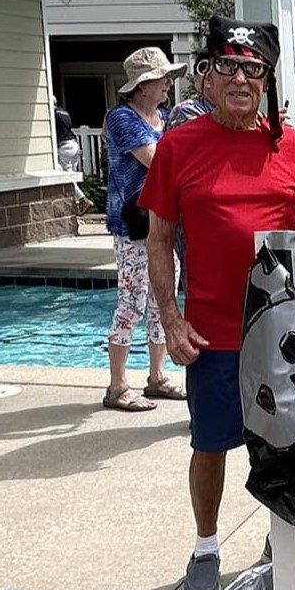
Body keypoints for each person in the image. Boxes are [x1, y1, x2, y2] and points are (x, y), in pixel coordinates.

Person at [142, 16, 295, 590]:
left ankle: (281, 540)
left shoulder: (291, 146)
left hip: (281, 335)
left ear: (267, 80)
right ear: (208, 77)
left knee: (288, 445)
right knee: (210, 445)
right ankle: (206, 547)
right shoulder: (179, 146)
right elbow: (158, 238)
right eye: (229, 67)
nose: (241, 79)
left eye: (254, 69)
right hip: (213, 335)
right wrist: (171, 319)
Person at [102, 47, 186, 413]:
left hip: (163, 224)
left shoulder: (164, 117)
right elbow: (159, 162)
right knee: (132, 302)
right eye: (162, 78)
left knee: (162, 300)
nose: (169, 83)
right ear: (142, 85)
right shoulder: (122, 118)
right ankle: (117, 385)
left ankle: (157, 377)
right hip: (133, 226)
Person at [53, 103, 91, 212]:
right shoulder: (64, 112)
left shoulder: (53, 114)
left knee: (66, 177)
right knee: (72, 177)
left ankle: (83, 200)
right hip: (74, 144)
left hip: (64, 146)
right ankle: (76, 205)